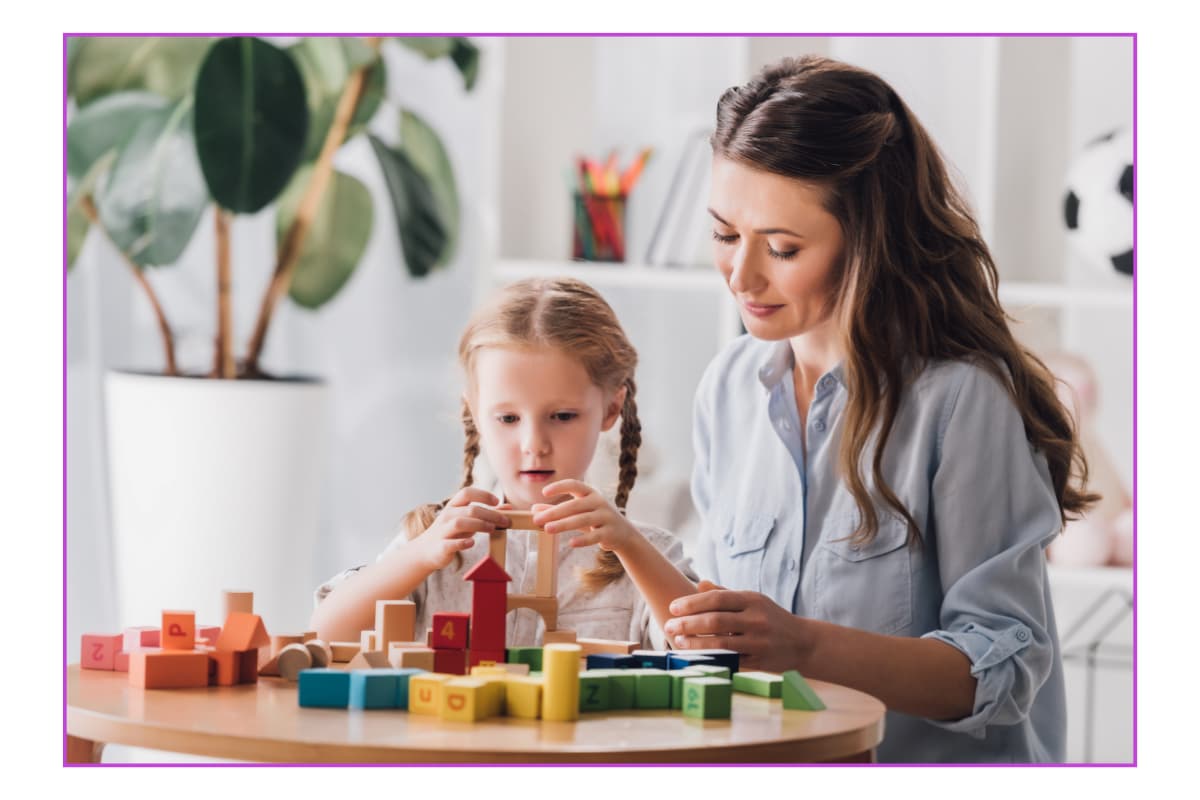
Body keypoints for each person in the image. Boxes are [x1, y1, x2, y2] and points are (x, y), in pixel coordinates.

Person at [663, 55, 1099, 763]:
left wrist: (802, 646)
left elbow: (1003, 672)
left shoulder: (959, 401)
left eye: (782, 247)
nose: (741, 276)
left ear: (867, 239)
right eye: (723, 234)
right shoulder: (728, 387)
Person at [310, 277, 698, 650]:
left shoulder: (645, 553)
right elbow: (327, 633)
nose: (534, 444)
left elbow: (702, 646)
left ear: (611, 408)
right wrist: (422, 555)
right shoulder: (435, 542)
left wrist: (629, 544)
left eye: (562, 416)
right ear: (475, 413)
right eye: (508, 419)